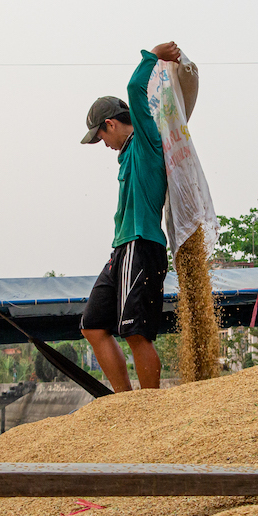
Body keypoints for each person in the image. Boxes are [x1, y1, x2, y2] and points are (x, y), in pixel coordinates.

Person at [80, 41, 183, 392]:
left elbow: (134, 88)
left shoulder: (145, 140)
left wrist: (153, 54)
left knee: (136, 332)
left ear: (110, 124)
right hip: (122, 249)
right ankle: (125, 403)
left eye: (100, 136)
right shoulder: (125, 156)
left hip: (142, 245)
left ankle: (148, 407)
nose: (102, 144)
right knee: (93, 325)